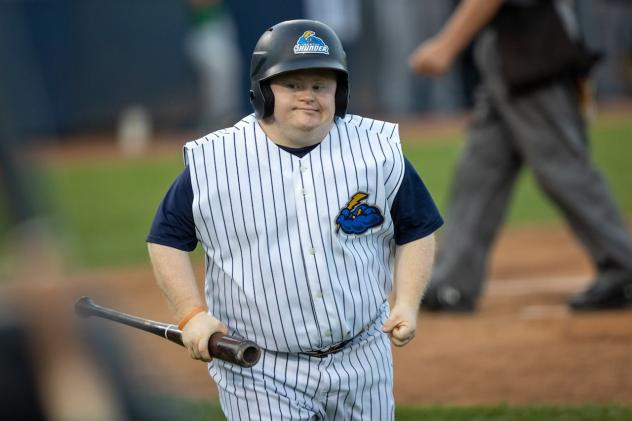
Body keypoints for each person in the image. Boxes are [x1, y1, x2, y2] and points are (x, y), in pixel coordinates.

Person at [147, 19, 443, 419]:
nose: (309, 97)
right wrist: (191, 314)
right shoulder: (214, 162)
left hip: (363, 360)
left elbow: (417, 228)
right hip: (259, 369)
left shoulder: (377, 151)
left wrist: (407, 303)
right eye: (293, 85)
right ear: (263, 90)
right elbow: (165, 238)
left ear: (340, 90)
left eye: (320, 85)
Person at [409, 0, 632, 312]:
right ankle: (453, 283)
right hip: (503, 52)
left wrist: (447, 45)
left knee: (565, 170)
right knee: (479, 169)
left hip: (533, 50)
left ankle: (623, 267)